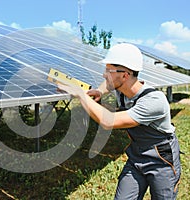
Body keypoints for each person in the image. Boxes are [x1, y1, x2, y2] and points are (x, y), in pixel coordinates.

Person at [58, 43, 181, 199]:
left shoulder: (154, 101)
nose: (104, 75)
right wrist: (100, 92)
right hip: (137, 157)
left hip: (162, 162)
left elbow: (108, 121)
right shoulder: (121, 87)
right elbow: (108, 85)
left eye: (108, 71)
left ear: (125, 75)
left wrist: (81, 95)